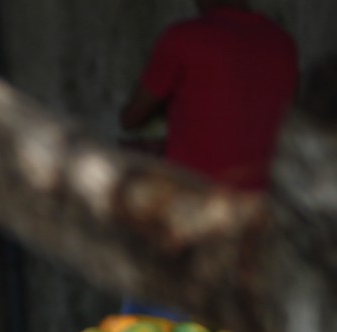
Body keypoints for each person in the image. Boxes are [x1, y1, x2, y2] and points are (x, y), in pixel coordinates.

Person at [120, 0, 299, 192]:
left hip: (197, 202)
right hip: (264, 204)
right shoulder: (284, 44)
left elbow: (130, 119)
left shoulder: (182, 38)